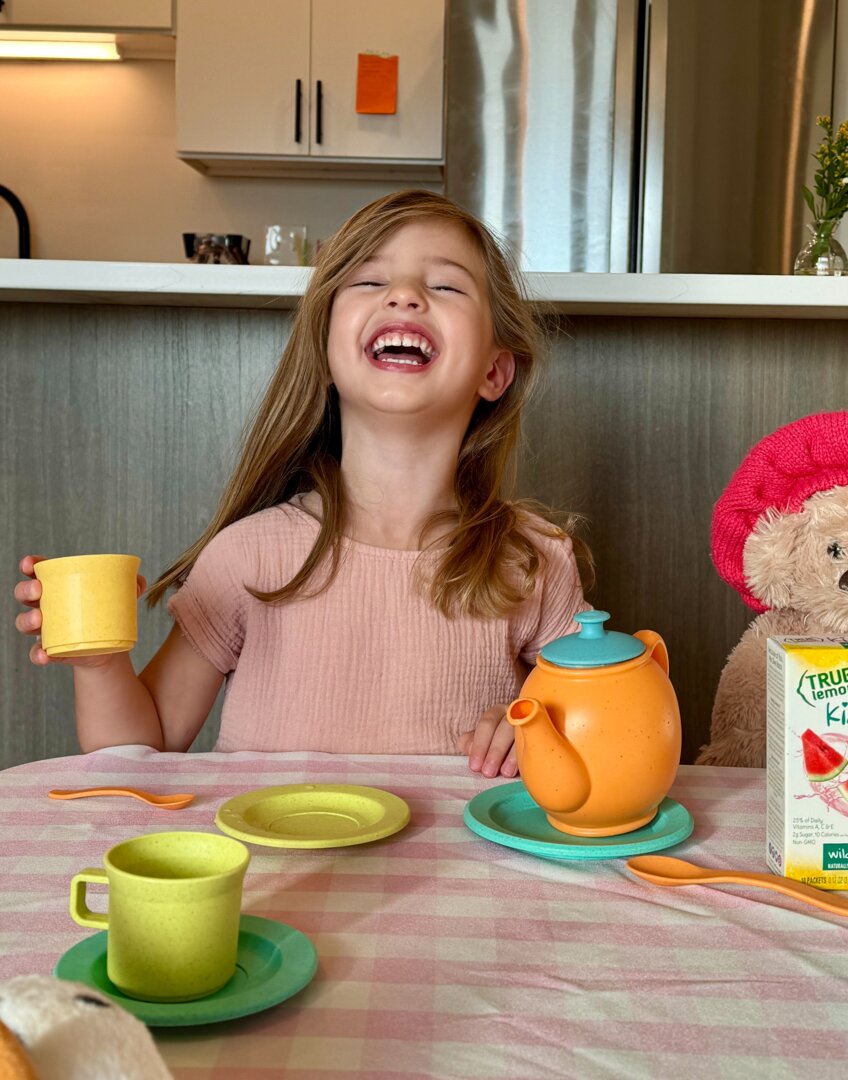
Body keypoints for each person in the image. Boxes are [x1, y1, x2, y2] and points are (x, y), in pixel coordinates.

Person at [13, 190, 592, 779]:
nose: (404, 295)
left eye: (445, 286)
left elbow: (607, 722)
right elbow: (142, 750)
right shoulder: (249, 554)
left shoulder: (531, 560)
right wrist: (99, 664)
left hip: (459, 873)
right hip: (274, 871)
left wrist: (536, 723)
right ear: (325, 347)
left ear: (494, 371)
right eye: (368, 281)